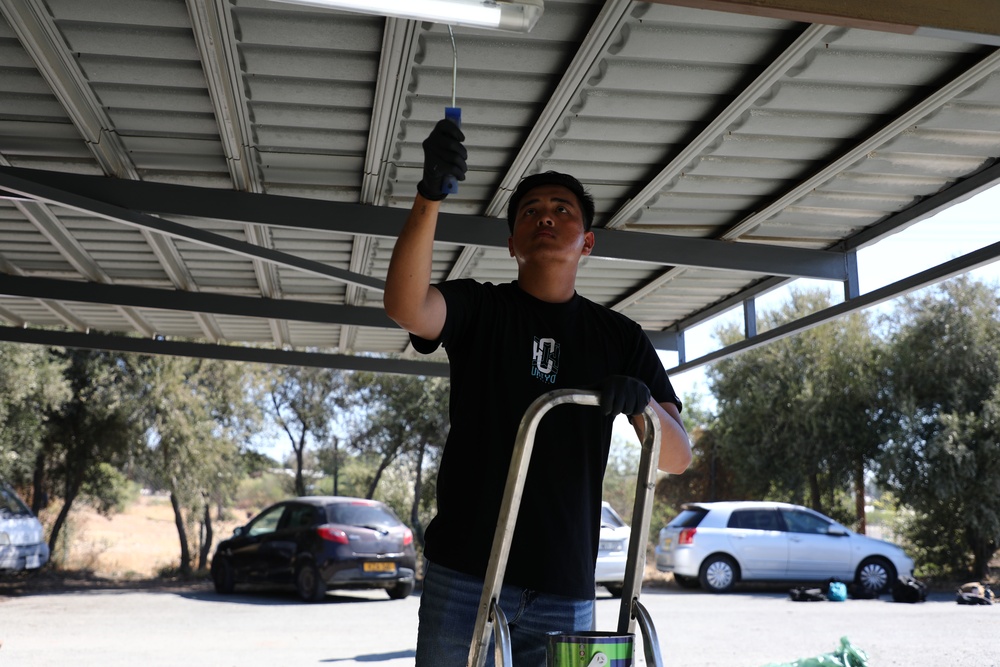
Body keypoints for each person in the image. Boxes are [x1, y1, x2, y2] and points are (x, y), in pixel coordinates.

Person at [383, 118, 692, 667]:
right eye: (530, 211)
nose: (545, 216)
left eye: (562, 209)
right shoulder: (482, 309)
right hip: (464, 576)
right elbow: (408, 307)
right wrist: (430, 194)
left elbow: (676, 454)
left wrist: (641, 401)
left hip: (566, 586)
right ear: (511, 243)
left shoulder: (620, 337)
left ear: (587, 242)